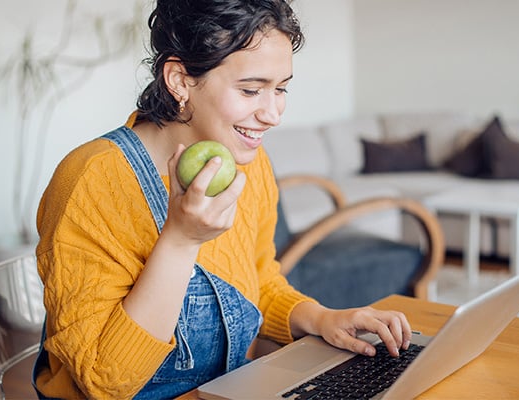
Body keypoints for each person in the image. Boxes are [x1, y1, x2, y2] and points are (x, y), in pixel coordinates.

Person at [32, 0, 412, 398]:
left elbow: (259, 282)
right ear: (179, 80)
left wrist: (322, 318)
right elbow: (105, 382)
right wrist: (180, 240)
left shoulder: (246, 160)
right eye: (251, 90)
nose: (273, 113)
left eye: (280, 88)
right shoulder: (92, 180)